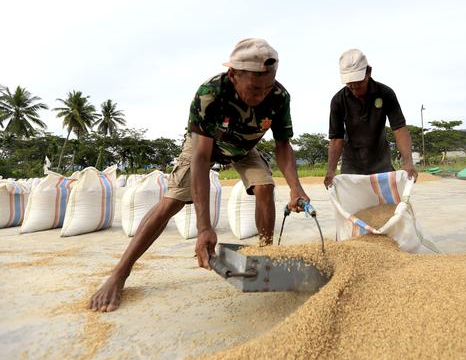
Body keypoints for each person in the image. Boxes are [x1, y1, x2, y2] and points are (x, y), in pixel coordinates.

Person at [90, 38, 310, 312]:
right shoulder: (211, 93)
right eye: (254, 89)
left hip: (243, 148)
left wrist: (296, 188)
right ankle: (119, 274)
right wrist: (204, 227)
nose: (261, 96)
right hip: (205, 145)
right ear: (233, 75)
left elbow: (282, 146)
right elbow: (201, 157)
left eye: (267, 87)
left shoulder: (279, 97)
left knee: (265, 186)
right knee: (172, 202)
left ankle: (265, 258)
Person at [324, 49, 417, 189]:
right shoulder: (338, 101)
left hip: (381, 162)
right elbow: (336, 139)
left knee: (388, 205)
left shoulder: (386, 94)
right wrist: (330, 171)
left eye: (358, 84)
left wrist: (408, 162)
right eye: (350, 86)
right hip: (352, 165)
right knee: (354, 207)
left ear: (369, 72)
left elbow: (399, 129)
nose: (355, 91)